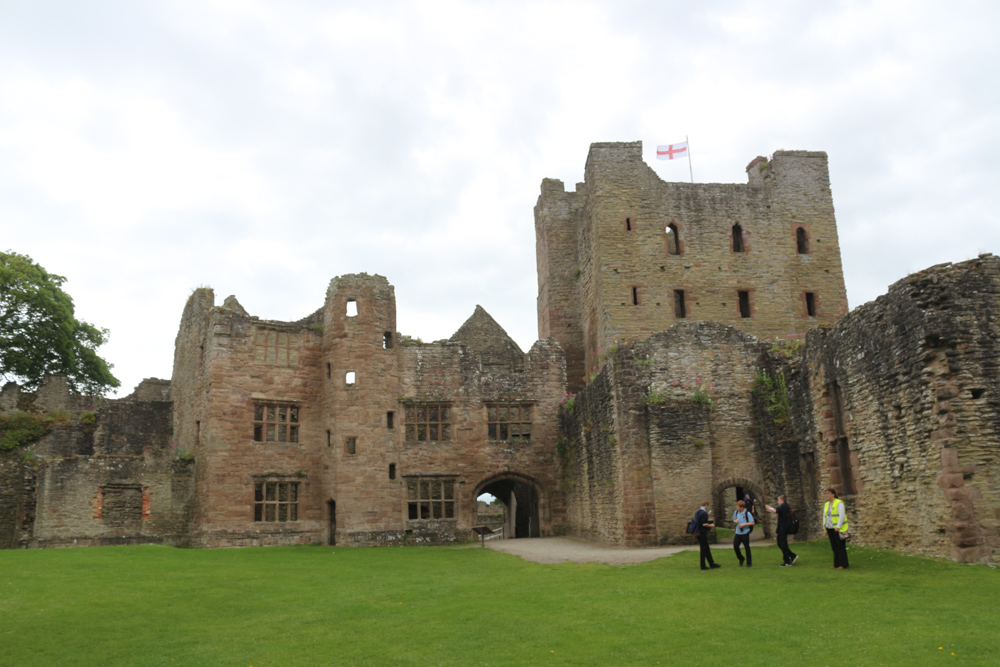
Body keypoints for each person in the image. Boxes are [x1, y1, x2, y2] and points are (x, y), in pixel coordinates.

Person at [765, 494, 798, 567]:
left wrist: (768, 508)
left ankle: (787, 561)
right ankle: (792, 556)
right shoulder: (785, 506)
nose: (778, 502)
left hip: (783, 528)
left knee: (783, 544)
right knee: (780, 543)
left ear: (782, 500)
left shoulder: (783, 506)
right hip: (782, 528)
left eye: (778, 500)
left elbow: (776, 510)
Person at [823, 488, 850, 569]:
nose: (827, 495)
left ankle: (843, 564)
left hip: (838, 528)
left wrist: (838, 526)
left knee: (840, 546)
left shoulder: (839, 503)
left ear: (833, 494)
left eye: (828, 493)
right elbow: (824, 516)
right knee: (834, 546)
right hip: (830, 527)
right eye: (826, 493)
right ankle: (836, 563)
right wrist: (824, 527)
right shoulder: (826, 504)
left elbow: (841, 515)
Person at [695, 501, 721, 570]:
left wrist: (706, 516)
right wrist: (711, 525)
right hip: (702, 533)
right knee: (703, 549)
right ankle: (703, 566)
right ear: (706, 505)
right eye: (707, 506)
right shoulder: (704, 513)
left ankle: (711, 563)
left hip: (698, 532)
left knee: (706, 549)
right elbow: (704, 524)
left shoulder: (698, 512)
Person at [731, 500, 754, 567]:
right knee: (735, 546)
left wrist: (744, 524)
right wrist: (735, 521)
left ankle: (749, 562)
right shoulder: (736, 512)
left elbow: (752, 522)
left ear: (742, 507)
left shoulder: (747, 513)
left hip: (745, 533)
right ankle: (741, 558)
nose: (737, 508)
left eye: (738, 507)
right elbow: (734, 520)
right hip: (738, 532)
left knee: (747, 547)